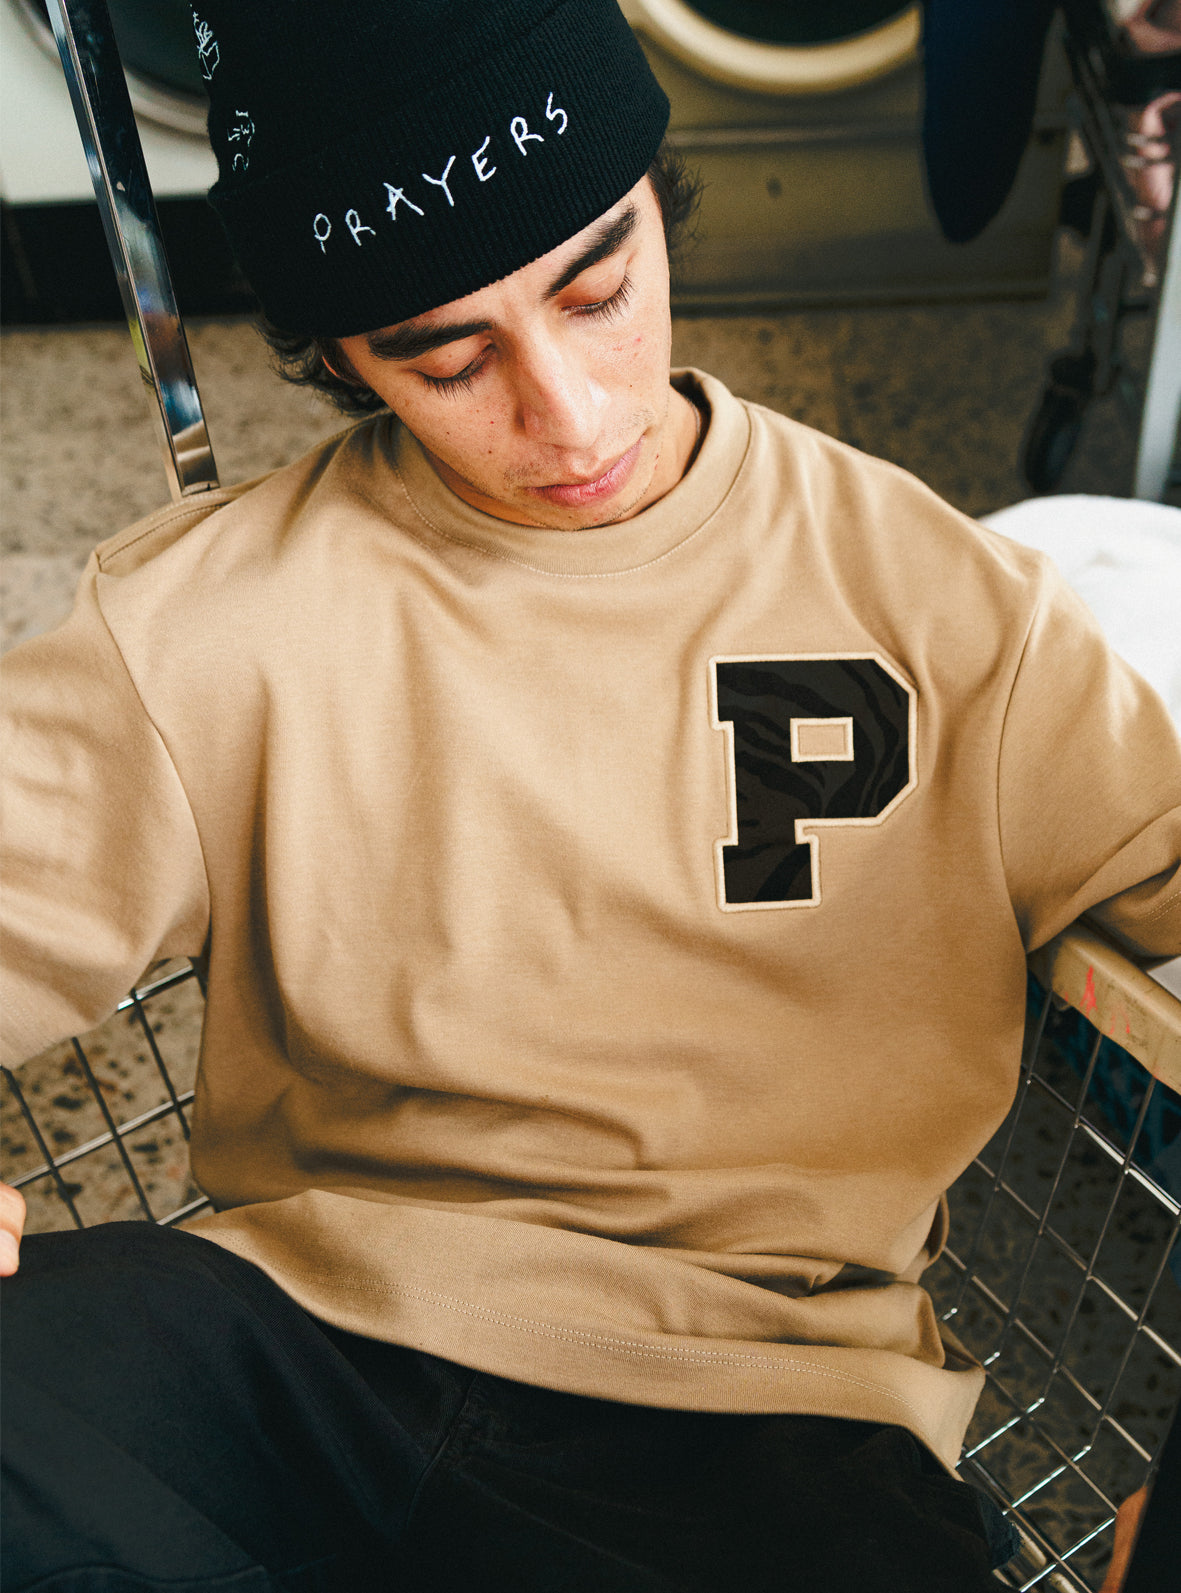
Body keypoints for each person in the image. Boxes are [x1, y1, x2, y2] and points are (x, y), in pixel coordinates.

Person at [2, 2, 1178, 1589]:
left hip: (761, 1404)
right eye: (445, 354)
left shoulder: (946, 608)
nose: (565, 413)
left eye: (597, 287)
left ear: (657, 205)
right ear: (340, 358)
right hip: (291, 1334)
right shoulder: (207, 625)